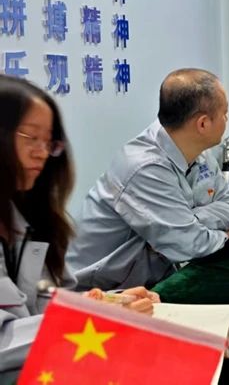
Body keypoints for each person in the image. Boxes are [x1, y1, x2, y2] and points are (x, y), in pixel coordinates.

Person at [0, 76, 156, 374]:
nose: (41, 152)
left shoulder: (28, 218)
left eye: (49, 142)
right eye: (30, 137)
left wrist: (108, 304)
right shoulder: (144, 164)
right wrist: (97, 316)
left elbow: (42, 303)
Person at [67, 69, 229, 290]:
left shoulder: (200, 153)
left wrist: (188, 221)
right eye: (225, 113)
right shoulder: (144, 167)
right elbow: (189, 243)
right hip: (95, 292)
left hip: (148, 280)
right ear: (203, 124)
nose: (226, 120)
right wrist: (219, 236)